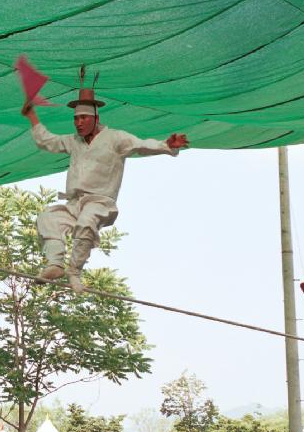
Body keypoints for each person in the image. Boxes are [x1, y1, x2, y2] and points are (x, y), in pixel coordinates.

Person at [22, 76, 188, 293]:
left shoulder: (115, 138)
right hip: (74, 203)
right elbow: (47, 141)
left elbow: (141, 145)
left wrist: (166, 145)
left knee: (86, 222)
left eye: (83, 118)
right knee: (48, 219)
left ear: (95, 118)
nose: (78, 123)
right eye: (76, 119)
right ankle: (55, 264)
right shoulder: (74, 141)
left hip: (100, 202)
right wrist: (32, 115)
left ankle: (74, 272)